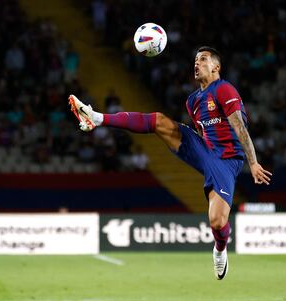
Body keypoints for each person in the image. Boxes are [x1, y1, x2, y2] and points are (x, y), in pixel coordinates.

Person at [68, 46, 272, 280]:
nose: (197, 63)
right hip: (205, 150)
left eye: (203, 59)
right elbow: (202, 132)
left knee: (217, 221)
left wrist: (253, 162)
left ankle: (220, 248)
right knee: (159, 121)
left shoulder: (224, 89)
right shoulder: (193, 101)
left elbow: (239, 128)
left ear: (216, 67)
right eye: (195, 60)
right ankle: (97, 118)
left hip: (227, 160)